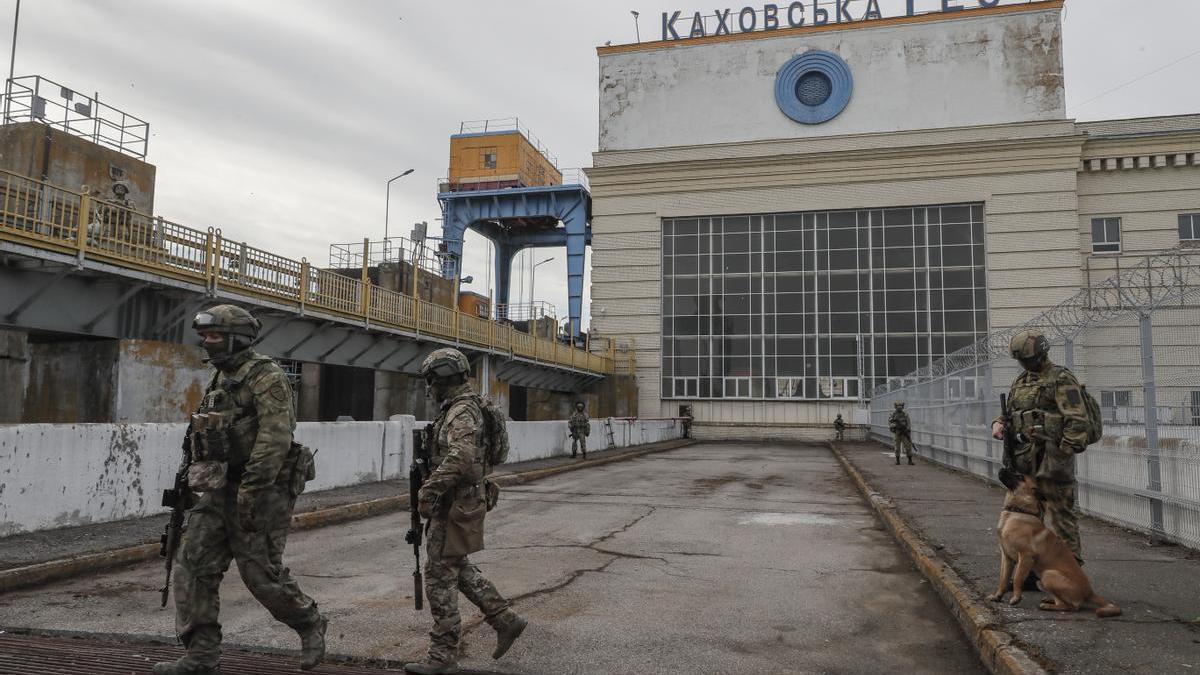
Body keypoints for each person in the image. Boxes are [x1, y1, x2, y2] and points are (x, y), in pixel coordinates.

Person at [155, 305, 325, 675]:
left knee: (261, 576)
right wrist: (190, 482)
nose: (207, 342)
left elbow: (275, 437)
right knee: (193, 566)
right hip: (220, 488)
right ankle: (201, 656)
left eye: (214, 336)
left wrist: (252, 489)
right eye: (205, 336)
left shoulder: (266, 376)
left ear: (237, 338)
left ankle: (309, 622)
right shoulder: (221, 376)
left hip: (264, 490)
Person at [408, 348, 527, 674]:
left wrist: (429, 490)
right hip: (465, 499)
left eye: (431, 381)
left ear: (441, 379)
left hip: (453, 503)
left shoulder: (461, 412)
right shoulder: (471, 406)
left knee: (438, 577)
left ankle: (443, 653)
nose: (429, 388)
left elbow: (460, 456)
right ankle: (505, 619)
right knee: (456, 567)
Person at [991, 329, 1089, 564]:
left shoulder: (1061, 378)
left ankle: (1069, 575)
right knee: (1025, 519)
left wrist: (1062, 452)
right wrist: (998, 423)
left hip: (1053, 463)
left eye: (1027, 359)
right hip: (1025, 461)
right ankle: (1029, 571)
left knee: (1061, 518)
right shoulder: (1022, 381)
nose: (1024, 364)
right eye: (1021, 361)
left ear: (1040, 354)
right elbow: (1013, 412)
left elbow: (1078, 420)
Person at [888, 401, 914, 465]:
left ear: (902, 407)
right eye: (898, 407)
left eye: (901, 407)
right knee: (897, 447)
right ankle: (897, 460)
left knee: (908, 446)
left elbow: (908, 423)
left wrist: (907, 429)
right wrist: (895, 426)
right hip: (897, 432)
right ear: (896, 407)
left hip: (904, 432)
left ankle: (910, 460)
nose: (899, 408)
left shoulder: (905, 414)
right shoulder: (893, 414)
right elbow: (890, 423)